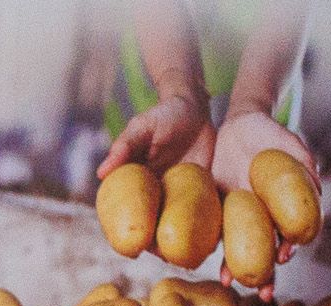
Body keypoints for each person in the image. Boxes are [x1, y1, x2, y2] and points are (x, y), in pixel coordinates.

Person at [101, 3, 320, 268]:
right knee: (136, 240)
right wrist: (178, 89)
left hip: (266, 92)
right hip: (157, 74)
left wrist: (254, 101)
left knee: (257, 242)